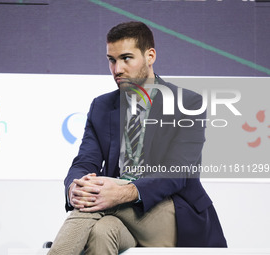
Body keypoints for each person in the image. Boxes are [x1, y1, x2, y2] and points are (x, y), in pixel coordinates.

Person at [48, 21, 227, 254]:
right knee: (102, 231)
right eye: (111, 60)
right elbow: (85, 161)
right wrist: (75, 187)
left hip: (172, 215)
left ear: (150, 56)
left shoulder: (187, 103)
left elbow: (177, 173)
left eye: (126, 58)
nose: (117, 69)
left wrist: (123, 192)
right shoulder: (102, 106)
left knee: (94, 198)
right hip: (119, 214)